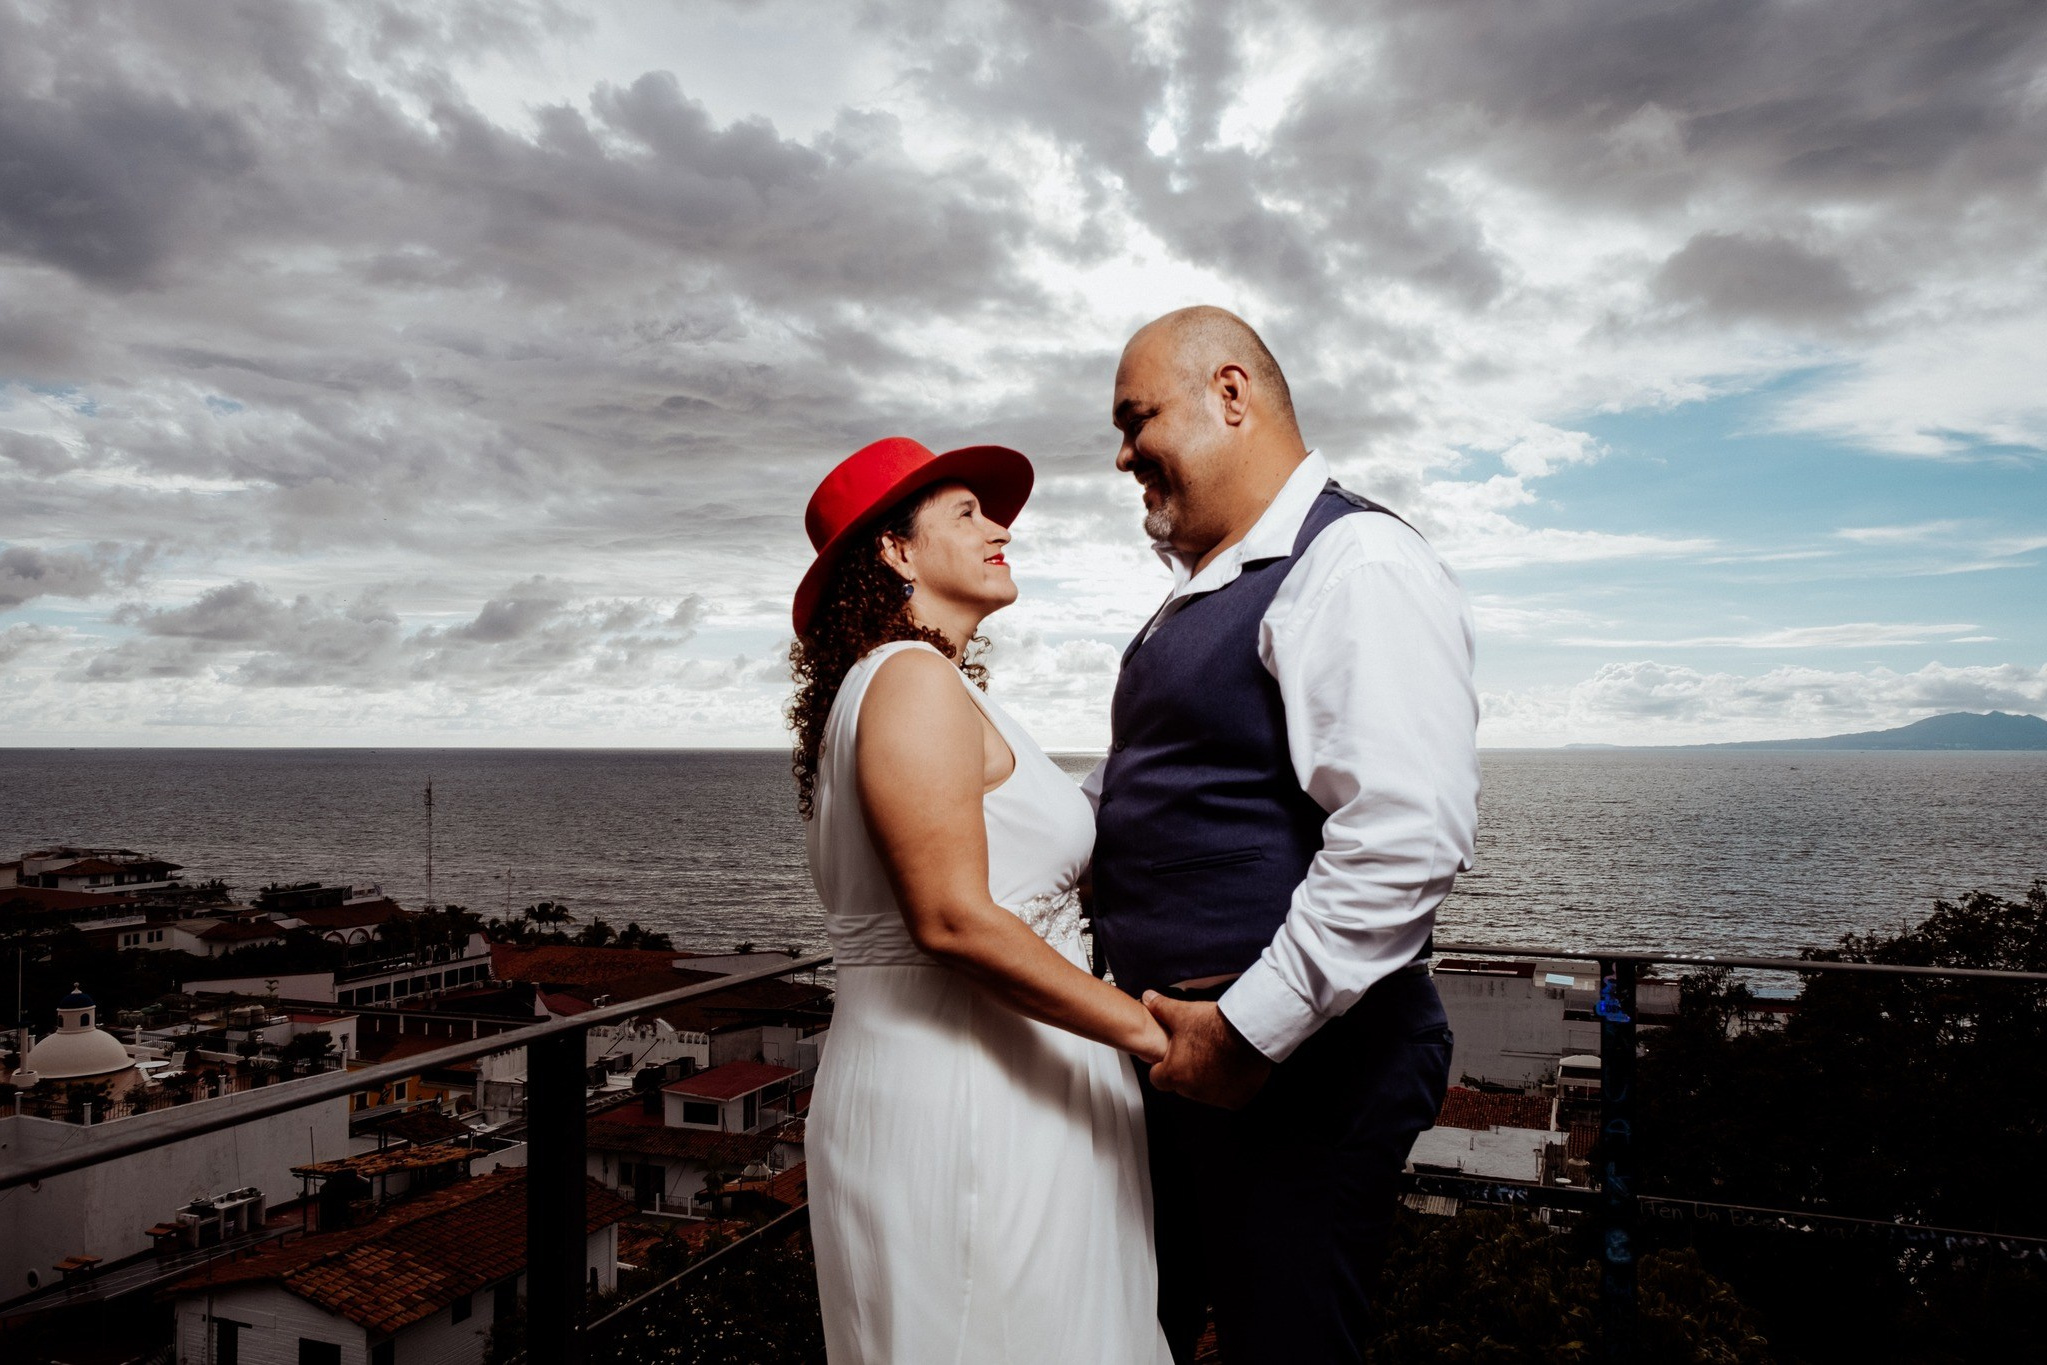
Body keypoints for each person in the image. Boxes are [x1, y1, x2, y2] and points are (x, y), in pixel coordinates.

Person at [1089, 307, 1480, 1364]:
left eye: (1136, 419)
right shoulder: (1217, 587)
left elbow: (1405, 834)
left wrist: (1249, 1028)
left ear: (1231, 394)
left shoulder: (1353, 562)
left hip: (1297, 1066)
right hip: (1195, 1063)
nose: (1123, 455)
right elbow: (1162, 792)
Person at [791, 435, 1175, 1365]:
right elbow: (953, 917)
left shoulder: (920, 688)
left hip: (995, 1090)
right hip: (972, 1103)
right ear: (895, 550)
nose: (1001, 528)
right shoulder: (911, 680)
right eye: (966, 513)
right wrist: (1157, 1036)